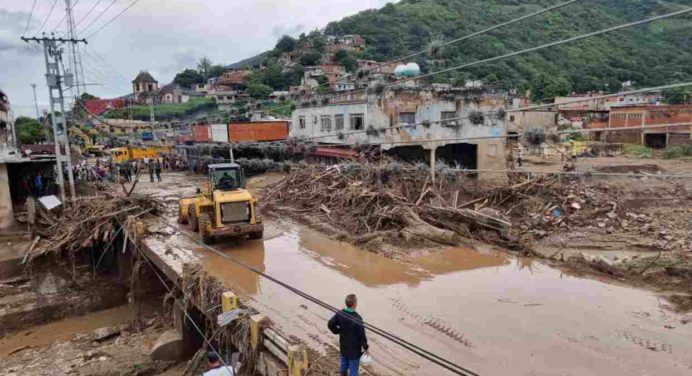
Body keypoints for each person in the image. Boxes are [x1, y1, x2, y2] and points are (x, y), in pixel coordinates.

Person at [328, 294, 369, 376]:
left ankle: (343, 374)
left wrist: (338, 331)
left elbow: (330, 324)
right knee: (353, 368)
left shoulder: (340, 313)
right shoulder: (357, 318)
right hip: (354, 350)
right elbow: (362, 336)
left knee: (343, 363)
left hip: (343, 345)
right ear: (354, 304)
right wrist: (366, 347)